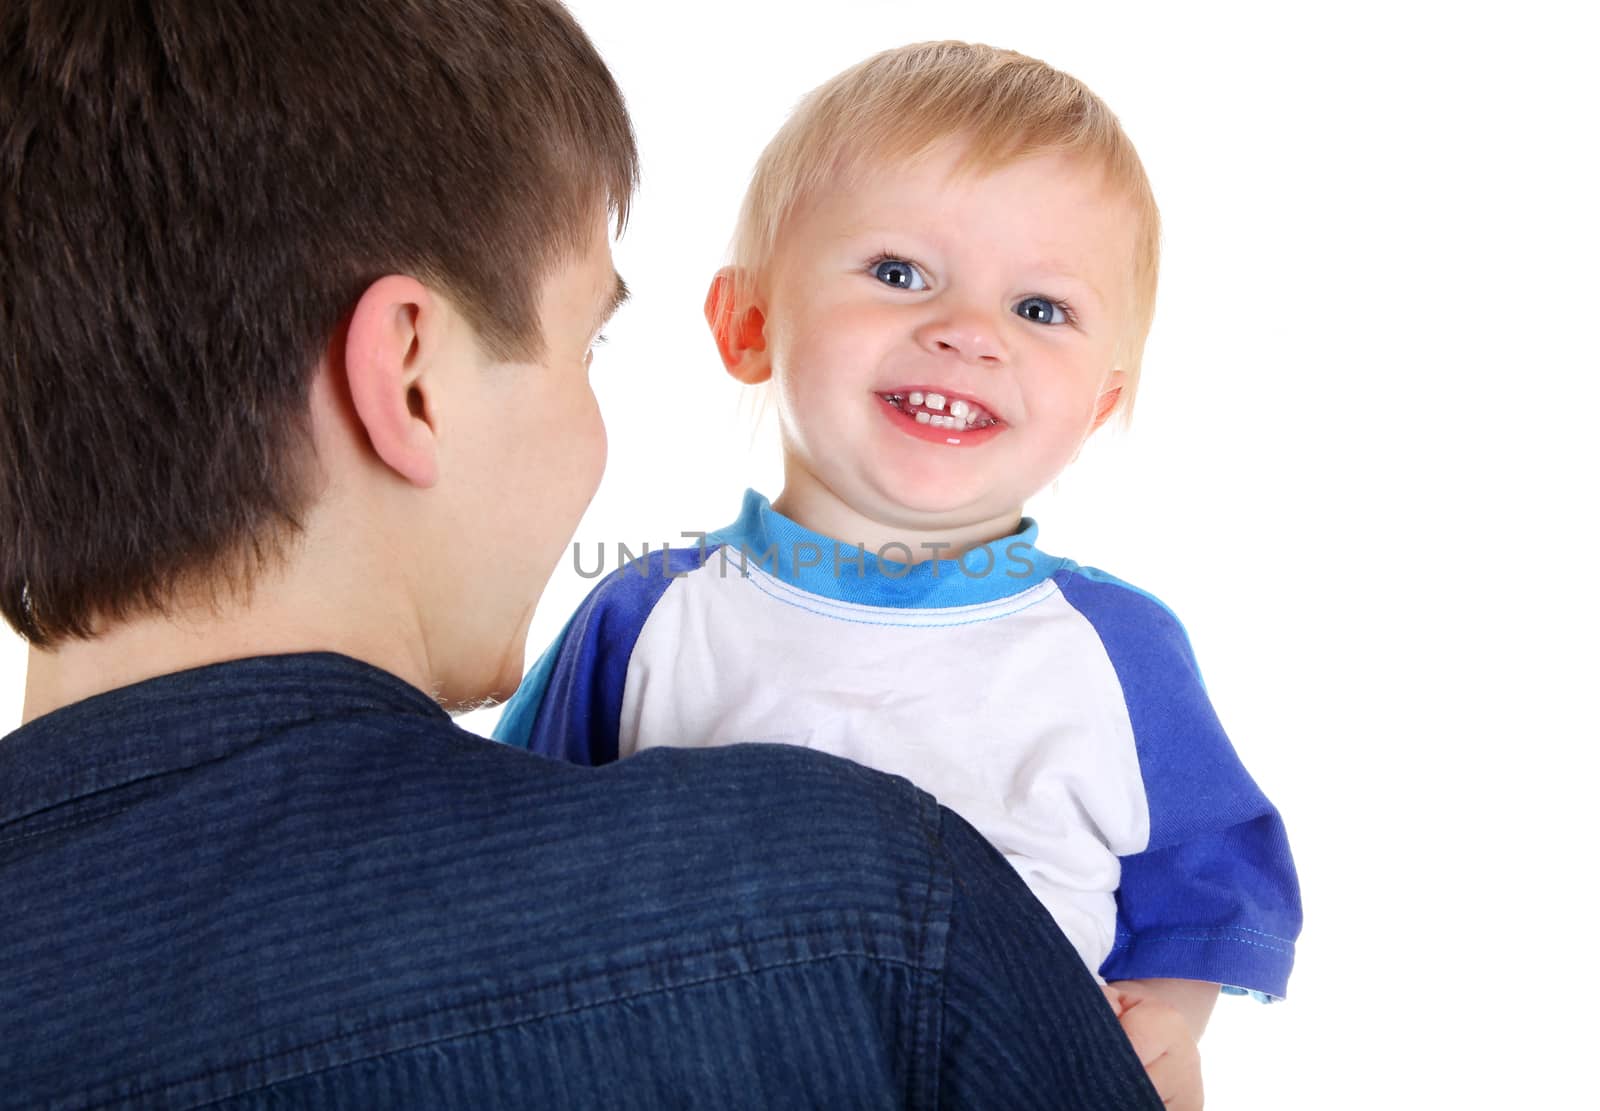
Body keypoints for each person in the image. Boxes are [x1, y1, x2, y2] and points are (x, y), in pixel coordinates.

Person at [0, 5, 1163, 1108]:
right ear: (409, 376)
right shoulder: (885, 912)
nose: (966, 333)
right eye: (587, 342)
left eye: (1039, 308)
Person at [494, 41, 1303, 1109]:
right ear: (749, 324)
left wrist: (1164, 1017)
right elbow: (505, 868)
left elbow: (1198, 880)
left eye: (1040, 308)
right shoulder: (644, 618)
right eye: (897, 274)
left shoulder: (1114, 650)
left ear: (1097, 404)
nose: (967, 333)